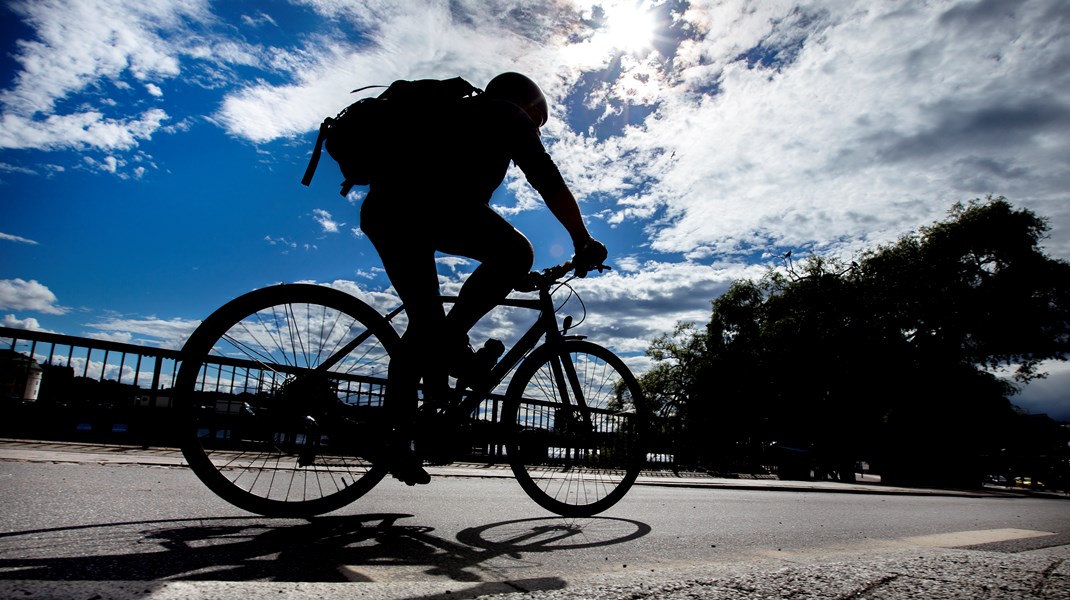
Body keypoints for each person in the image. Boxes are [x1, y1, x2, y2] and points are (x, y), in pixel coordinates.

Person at [359, 72, 607, 485]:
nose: (534, 130)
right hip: (431, 209)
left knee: (424, 324)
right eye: (537, 122)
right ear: (528, 105)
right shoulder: (506, 113)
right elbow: (546, 177)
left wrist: (511, 278)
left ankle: (395, 437)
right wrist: (582, 240)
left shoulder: (458, 111)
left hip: (388, 212)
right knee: (515, 251)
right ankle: (450, 350)